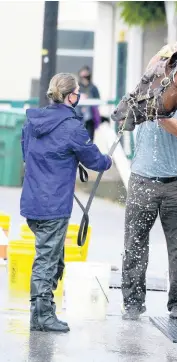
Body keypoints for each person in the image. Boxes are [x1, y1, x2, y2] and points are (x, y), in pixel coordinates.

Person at [21, 73, 113, 332]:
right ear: (72, 96)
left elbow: (25, 153)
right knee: (47, 260)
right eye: (77, 94)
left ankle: (44, 311)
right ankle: (41, 316)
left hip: (33, 201)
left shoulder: (32, 123)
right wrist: (108, 161)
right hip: (54, 206)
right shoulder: (72, 127)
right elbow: (94, 159)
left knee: (53, 257)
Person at [121, 108, 177, 321]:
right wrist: (131, 109)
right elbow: (122, 120)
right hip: (141, 181)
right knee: (134, 244)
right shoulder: (146, 101)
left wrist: (157, 113)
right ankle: (133, 303)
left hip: (176, 186)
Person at [77, 65, 101, 141]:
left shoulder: (93, 88)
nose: (84, 79)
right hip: (78, 117)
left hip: (90, 119)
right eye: (83, 77)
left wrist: (88, 101)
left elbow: (97, 101)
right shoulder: (77, 87)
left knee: (89, 140)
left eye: (86, 76)